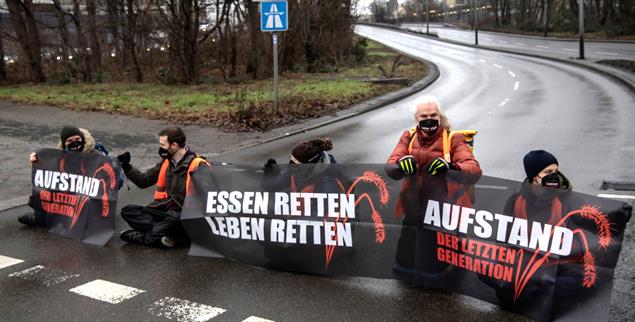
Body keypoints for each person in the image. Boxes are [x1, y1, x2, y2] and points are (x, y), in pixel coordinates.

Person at [384, 95, 482, 278]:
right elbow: (390, 164)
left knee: (434, 268)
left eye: (433, 115)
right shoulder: (409, 136)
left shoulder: (453, 139)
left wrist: (450, 167)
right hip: (413, 207)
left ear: (439, 116)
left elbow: (474, 169)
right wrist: (400, 163)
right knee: (404, 263)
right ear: (416, 118)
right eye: (423, 116)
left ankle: (457, 252)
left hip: (441, 210)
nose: (429, 119)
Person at [116, 126, 208, 248]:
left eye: (162, 145)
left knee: (173, 219)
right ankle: (170, 236)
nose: (160, 148)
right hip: (165, 212)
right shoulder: (166, 162)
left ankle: (148, 238)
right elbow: (144, 181)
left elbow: (208, 200)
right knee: (129, 211)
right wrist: (127, 166)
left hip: (184, 216)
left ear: (174, 145)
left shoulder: (198, 165)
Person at [19, 126, 123, 227]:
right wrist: (36, 162)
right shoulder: (60, 156)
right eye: (69, 140)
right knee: (37, 198)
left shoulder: (96, 155)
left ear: (82, 139)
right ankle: (42, 218)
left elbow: (117, 180)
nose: (74, 142)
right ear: (64, 144)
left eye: (77, 139)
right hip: (71, 195)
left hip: (90, 195)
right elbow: (46, 174)